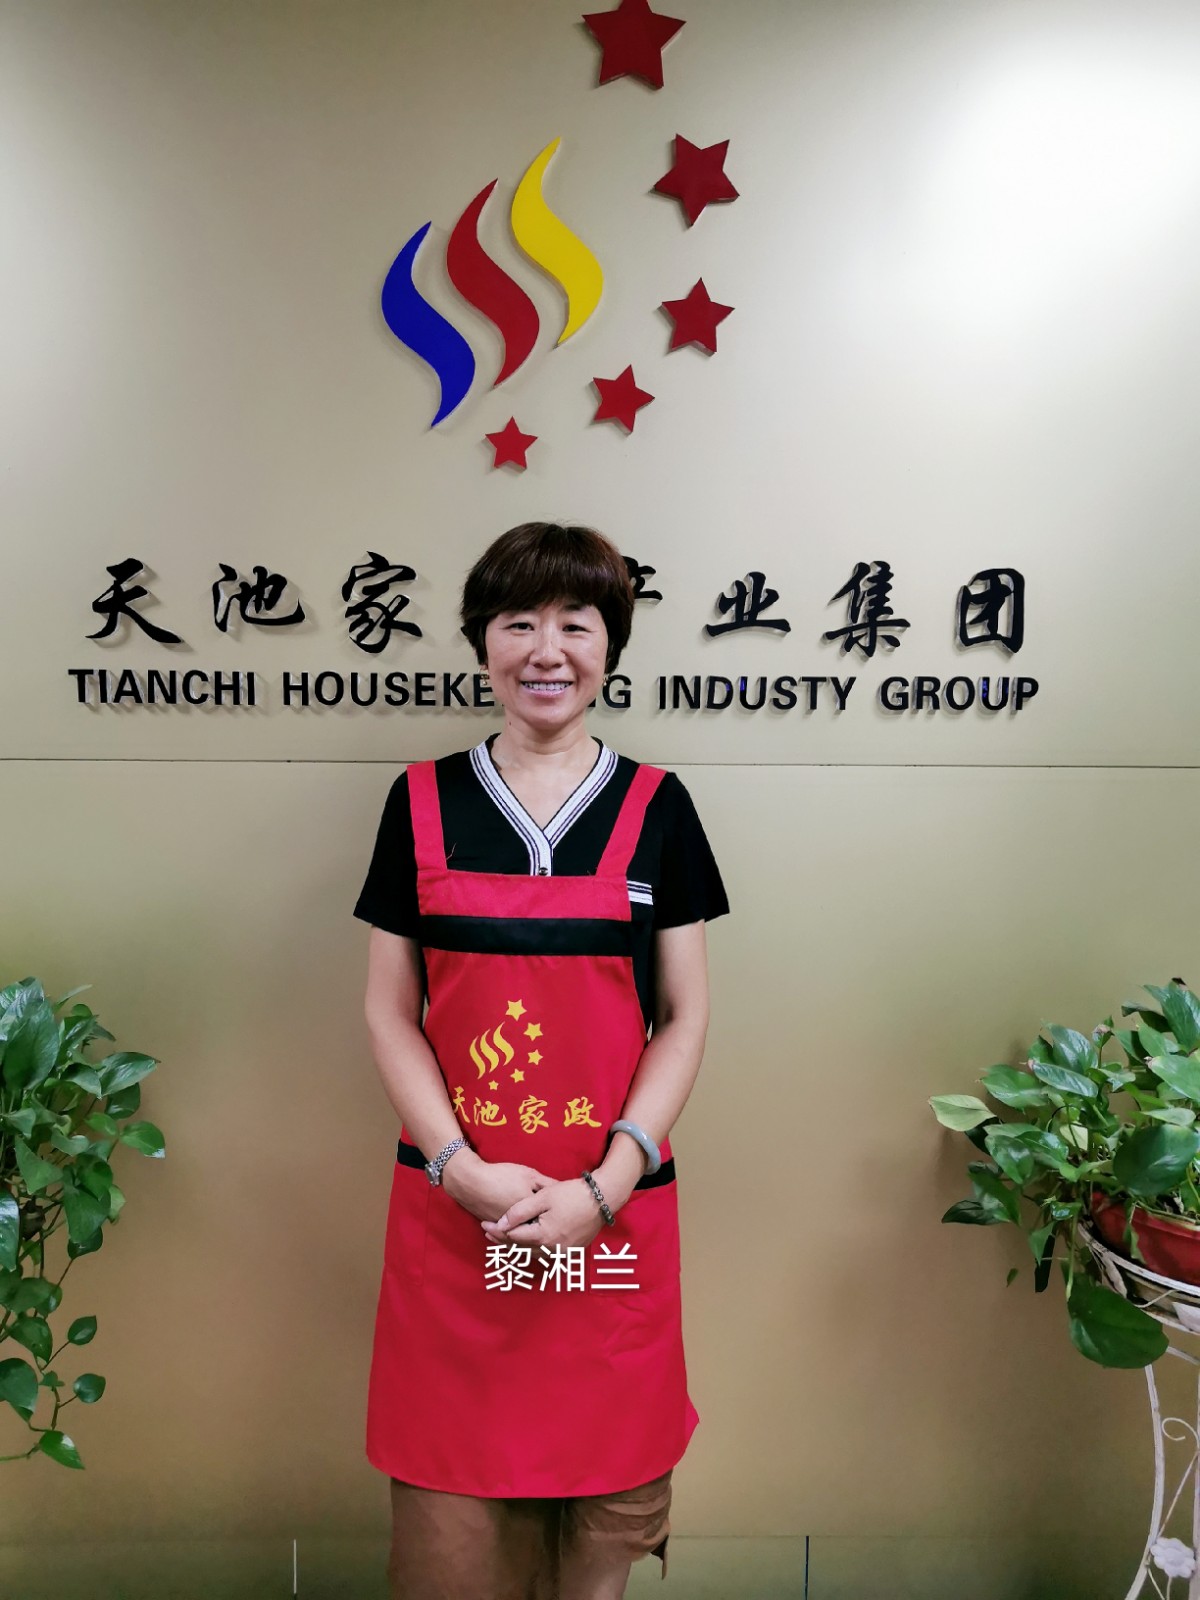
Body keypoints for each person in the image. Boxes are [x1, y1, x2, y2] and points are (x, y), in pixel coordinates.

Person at [353, 521, 730, 1600]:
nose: (548, 650)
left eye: (577, 623)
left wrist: (607, 1186)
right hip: (459, 1223)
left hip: (607, 1225)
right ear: (483, 642)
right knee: (451, 1544)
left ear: (611, 645)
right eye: (520, 622)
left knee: (602, 1546)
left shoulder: (658, 808)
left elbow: (685, 1017)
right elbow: (390, 1012)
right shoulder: (421, 802)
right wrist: (458, 1167)